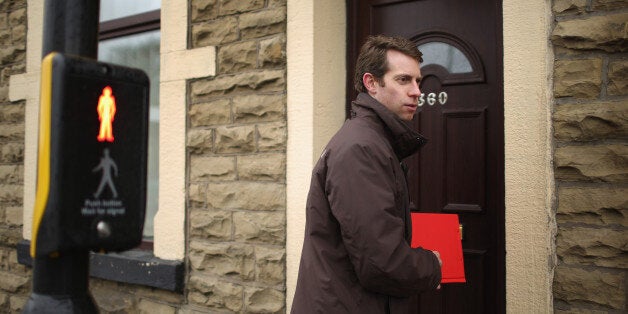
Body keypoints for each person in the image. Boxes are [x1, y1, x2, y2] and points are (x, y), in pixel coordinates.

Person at [291, 35, 442, 313]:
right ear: (371, 83)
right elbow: (381, 262)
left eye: (418, 81)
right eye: (403, 80)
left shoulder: (373, 141)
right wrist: (432, 264)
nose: (416, 91)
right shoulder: (361, 148)